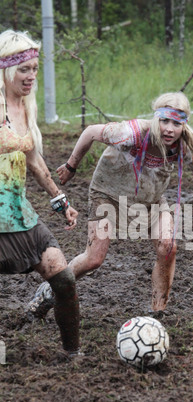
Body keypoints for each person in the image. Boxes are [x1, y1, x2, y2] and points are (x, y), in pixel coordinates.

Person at [26, 91, 193, 317]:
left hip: (150, 201)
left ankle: (156, 315)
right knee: (94, 259)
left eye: (176, 123)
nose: (169, 129)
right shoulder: (132, 132)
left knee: (168, 247)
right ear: (156, 119)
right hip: (108, 196)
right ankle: (50, 289)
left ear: (184, 125)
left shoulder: (188, 144)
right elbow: (91, 132)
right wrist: (72, 166)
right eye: (164, 121)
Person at [0, 30, 82, 358]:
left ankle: (71, 354)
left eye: (35, 68)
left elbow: (33, 159)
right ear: (5, 70)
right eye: (24, 69)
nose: (31, 76)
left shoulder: (25, 109)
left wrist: (60, 200)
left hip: (19, 213)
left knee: (63, 279)